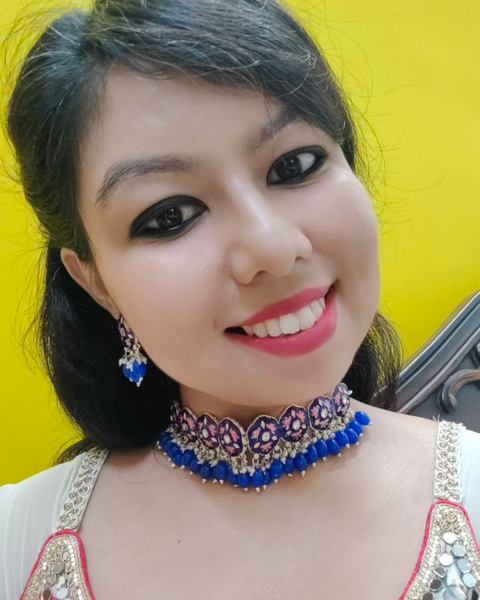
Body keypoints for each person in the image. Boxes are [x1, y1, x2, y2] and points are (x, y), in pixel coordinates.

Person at [0, 0, 479, 598]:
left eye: (294, 165)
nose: (273, 248)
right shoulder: (17, 541)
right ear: (94, 281)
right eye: (170, 215)